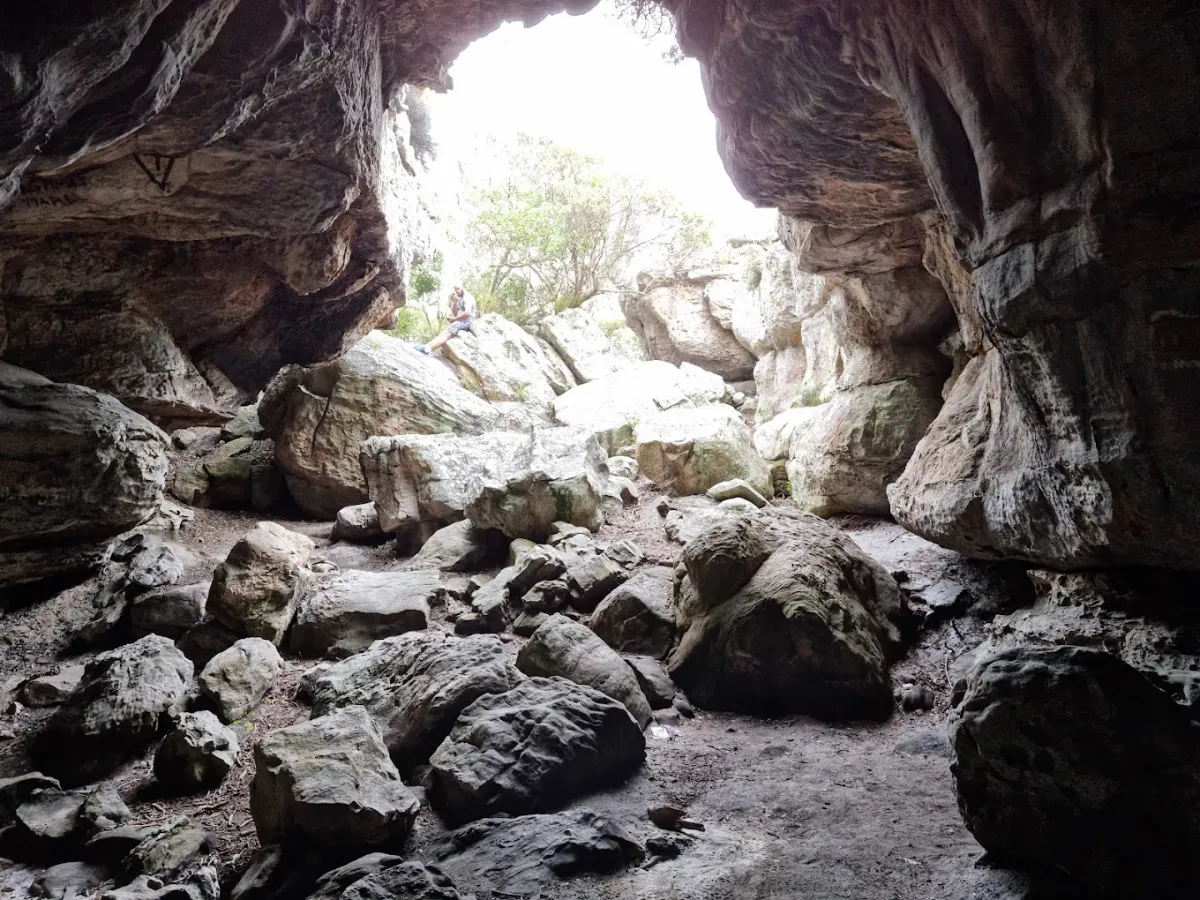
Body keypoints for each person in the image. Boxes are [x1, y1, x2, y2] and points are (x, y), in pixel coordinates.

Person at [416, 285, 476, 355]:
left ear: (462, 287)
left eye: (458, 289)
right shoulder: (459, 298)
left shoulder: (467, 297)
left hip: (467, 320)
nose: (457, 291)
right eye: (455, 290)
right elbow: (455, 313)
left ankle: (429, 349)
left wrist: (454, 319)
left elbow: (467, 313)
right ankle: (426, 346)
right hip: (460, 320)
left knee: (448, 334)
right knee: (443, 333)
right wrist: (455, 303)